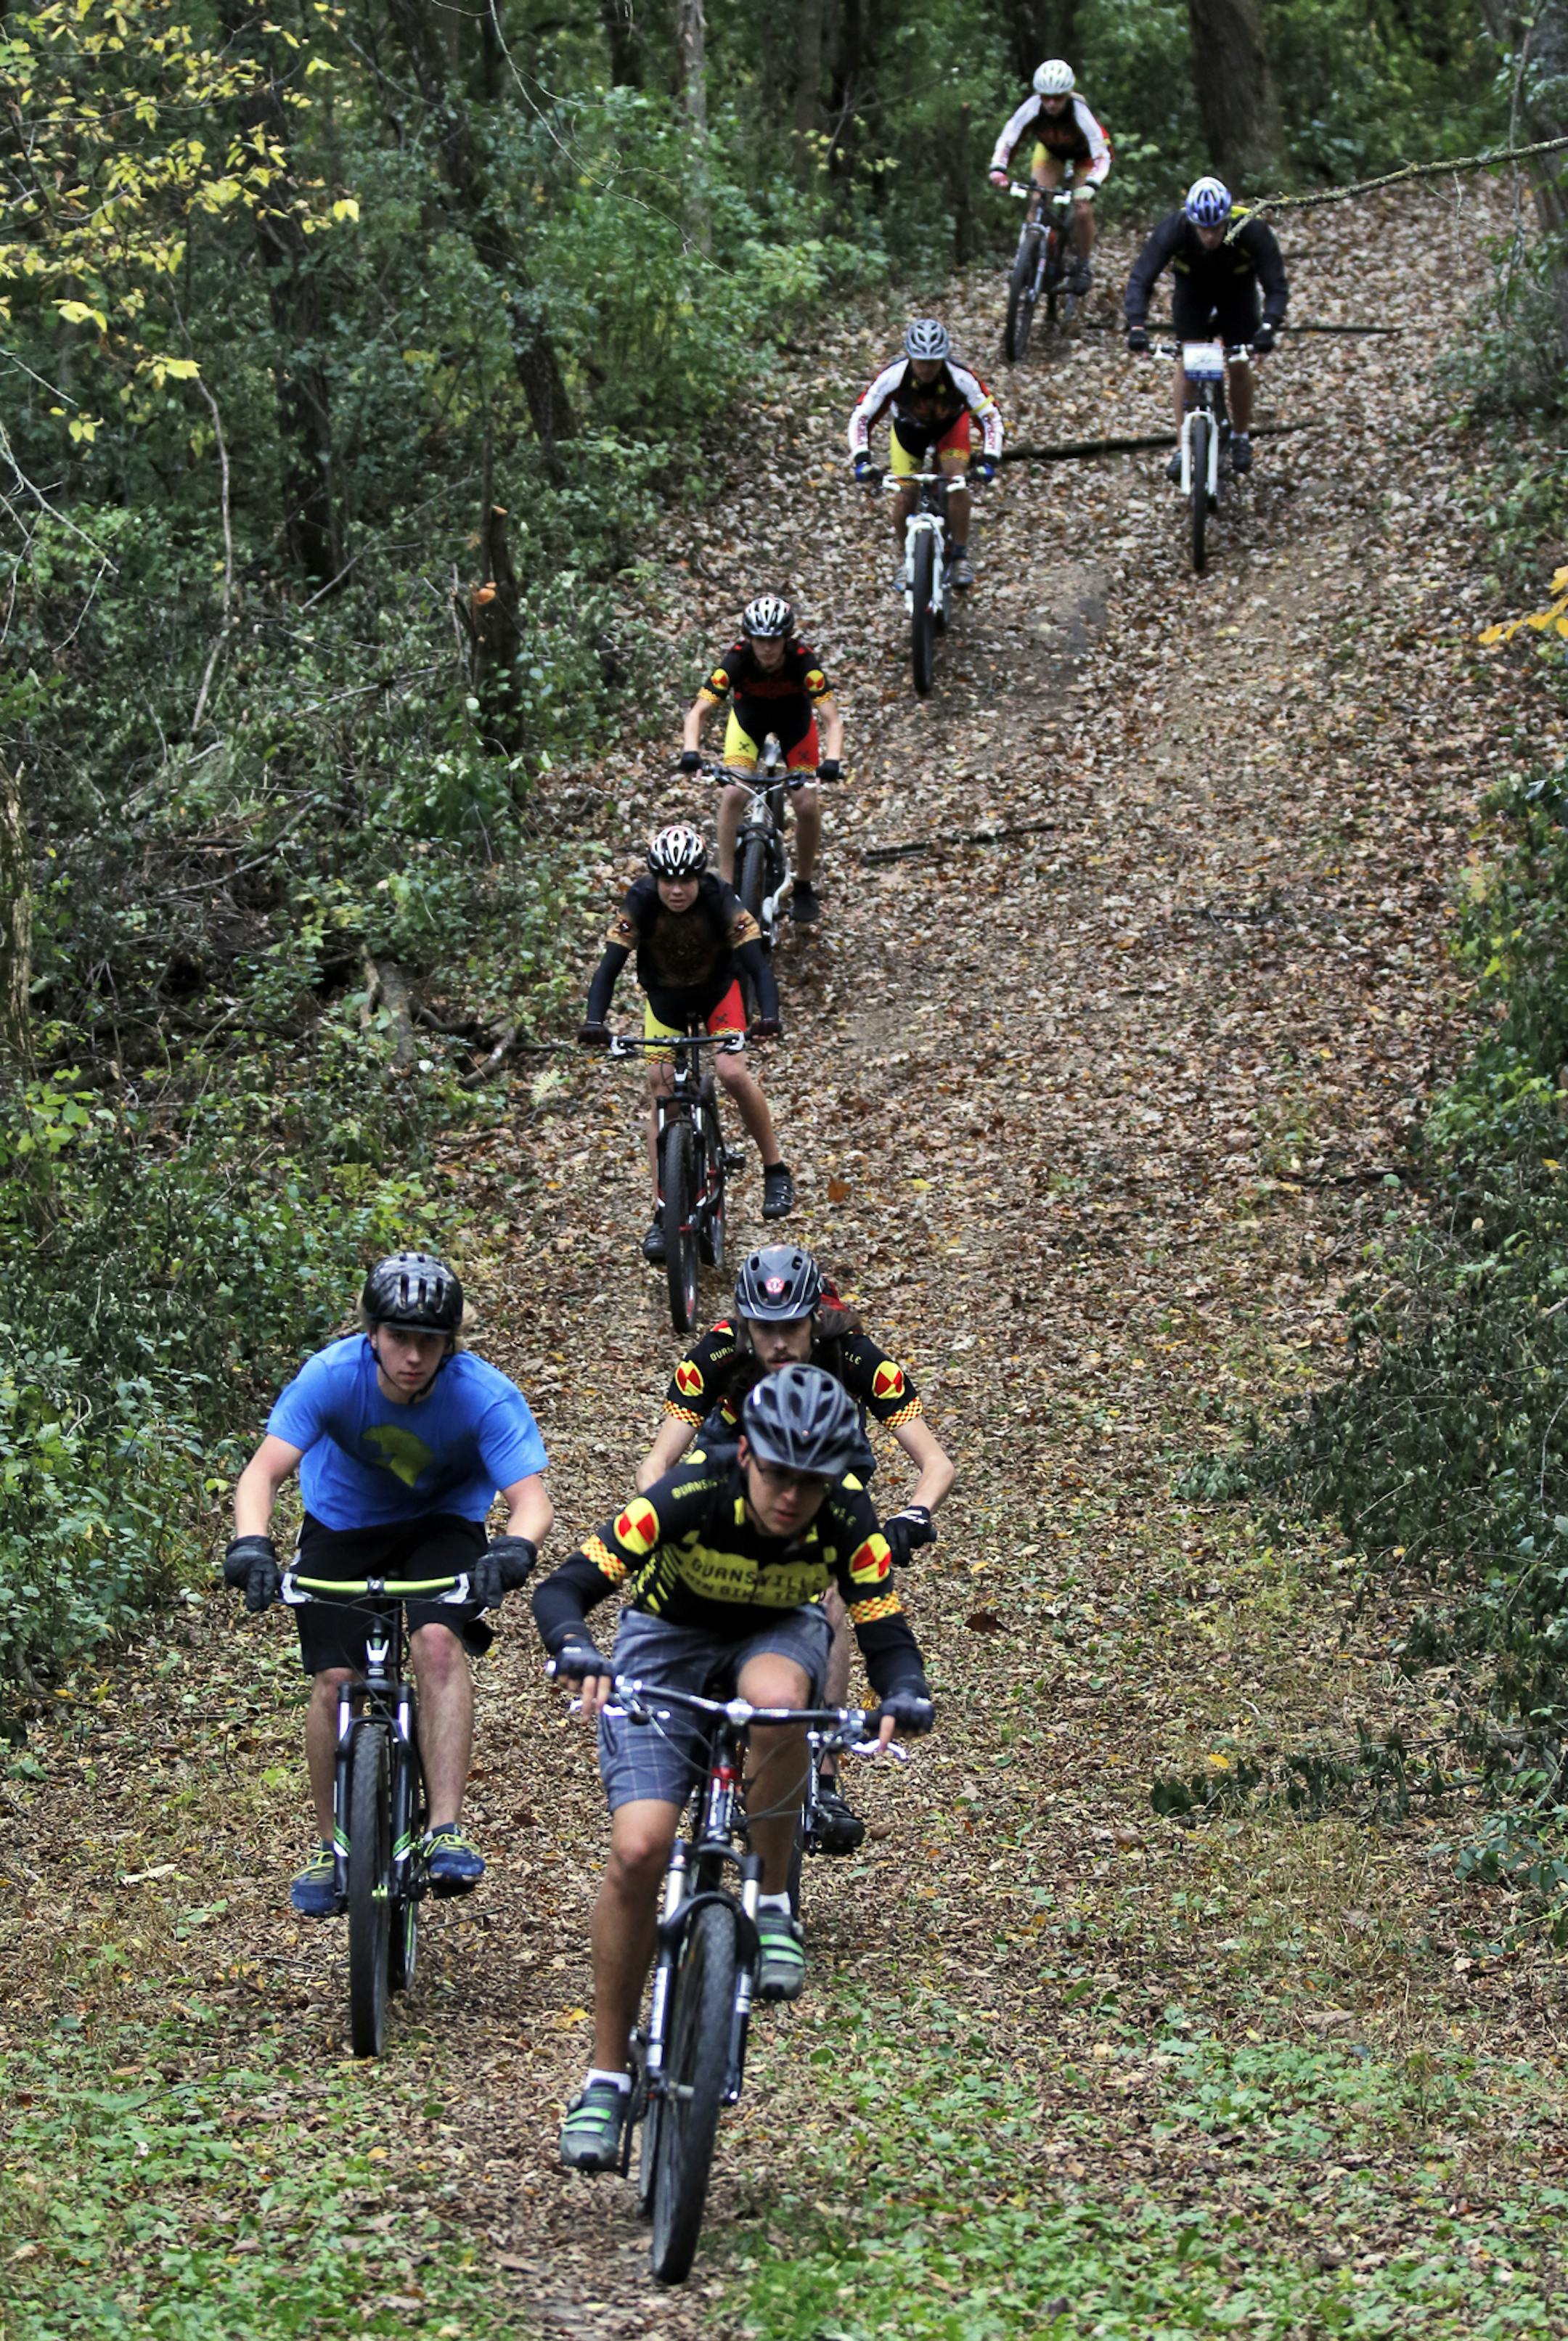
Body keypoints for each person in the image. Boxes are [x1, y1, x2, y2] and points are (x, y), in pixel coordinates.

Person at [533, 1365, 936, 2173]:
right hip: (666, 1640)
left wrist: (904, 1693)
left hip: (773, 1635)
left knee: (782, 1702)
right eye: (779, 1473)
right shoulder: (688, 1493)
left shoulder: (848, 1519)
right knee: (642, 1847)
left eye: (813, 1483)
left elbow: (883, 1627)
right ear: (746, 1453)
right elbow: (568, 1586)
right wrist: (577, 1648)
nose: (793, 1497)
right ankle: (606, 2076)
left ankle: (777, 1902)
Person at [222, 1251, 552, 1916]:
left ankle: (444, 1830)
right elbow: (261, 1474)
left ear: (448, 1344)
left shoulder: (482, 1393)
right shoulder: (331, 1376)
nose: (412, 1354)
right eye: (398, 1337)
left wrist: (515, 1548)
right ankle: (328, 1845)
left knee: (436, 1642)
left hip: (442, 1523)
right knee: (334, 1681)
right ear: (371, 1333)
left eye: (429, 1340)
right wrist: (252, 1544)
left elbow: (532, 1500)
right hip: (343, 1524)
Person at [636, 1243, 953, 1850]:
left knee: (831, 1582)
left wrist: (912, 1516)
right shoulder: (718, 1352)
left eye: (791, 1328)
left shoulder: (853, 1351)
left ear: (815, 1318)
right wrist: (664, 1520)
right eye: (764, 1329)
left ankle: (826, 1776)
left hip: (828, 1465)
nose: (778, 1343)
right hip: (737, 1450)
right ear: (744, 1324)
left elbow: (935, 1461)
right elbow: (656, 1462)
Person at [579, 823, 793, 1258]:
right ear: (655, 878)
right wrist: (594, 1021)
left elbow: (757, 966)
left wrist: (769, 1015)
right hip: (665, 1002)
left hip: (720, 994)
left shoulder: (720, 899)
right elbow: (608, 969)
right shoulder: (639, 902)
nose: (677, 890)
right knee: (660, 1087)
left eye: (686, 880)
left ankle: (775, 1169)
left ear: (700, 877)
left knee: (732, 1072)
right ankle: (662, 1210)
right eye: (668, 880)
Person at [678, 595, 844, 928]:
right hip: (748, 723)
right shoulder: (736, 661)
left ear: (786, 639)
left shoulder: (803, 662)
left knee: (807, 803)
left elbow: (833, 721)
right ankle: (726, 886)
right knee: (734, 793)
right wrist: (690, 752)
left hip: (795, 726)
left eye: (774, 641)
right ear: (749, 638)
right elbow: (698, 712)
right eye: (760, 641)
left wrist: (833, 760)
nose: (767, 649)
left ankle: (804, 885)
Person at [1124, 176, 1288, 480]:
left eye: (1216, 228)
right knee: (1189, 361)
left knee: (1239, 362)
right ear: (1192, 221)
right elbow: (1141, 278)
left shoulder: (1251, 228)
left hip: (1237, 291)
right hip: (1193, 291)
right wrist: (1136, 326)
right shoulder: (1175, 228)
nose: (1210, 236)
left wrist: (1269, 326)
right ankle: (1181, 446)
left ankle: (1240, 436)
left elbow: (1275, 284)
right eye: (1203, 229)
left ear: (1228, 219)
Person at [847, 319, 1003, 592]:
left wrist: (989, 461)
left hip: (950, 428)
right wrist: (862, 460)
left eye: (934, 362)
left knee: (955, 481)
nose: (927, 368)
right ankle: (906, 559)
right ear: (910, 357)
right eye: (921, 362)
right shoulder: (894, 376)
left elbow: (990, 417)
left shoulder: (961, 377)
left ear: (943, 359)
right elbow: (862, 416)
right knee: (904, 494)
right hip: (909, 432)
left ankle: (960, 557)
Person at [987, 58, 1111, 295]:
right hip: (1052, 152)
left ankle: (1083, 265)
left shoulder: (1080, 112)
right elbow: (1008, 138)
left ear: (1068, 94)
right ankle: (1032, 258)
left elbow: (1102, 155)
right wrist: (999, 168)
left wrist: (1092, 184)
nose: (1052, 103)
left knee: (1082, 208)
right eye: (1046, 97)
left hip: (1085, 156)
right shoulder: (1032, 107)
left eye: (1058, 98)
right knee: (1037, 202)